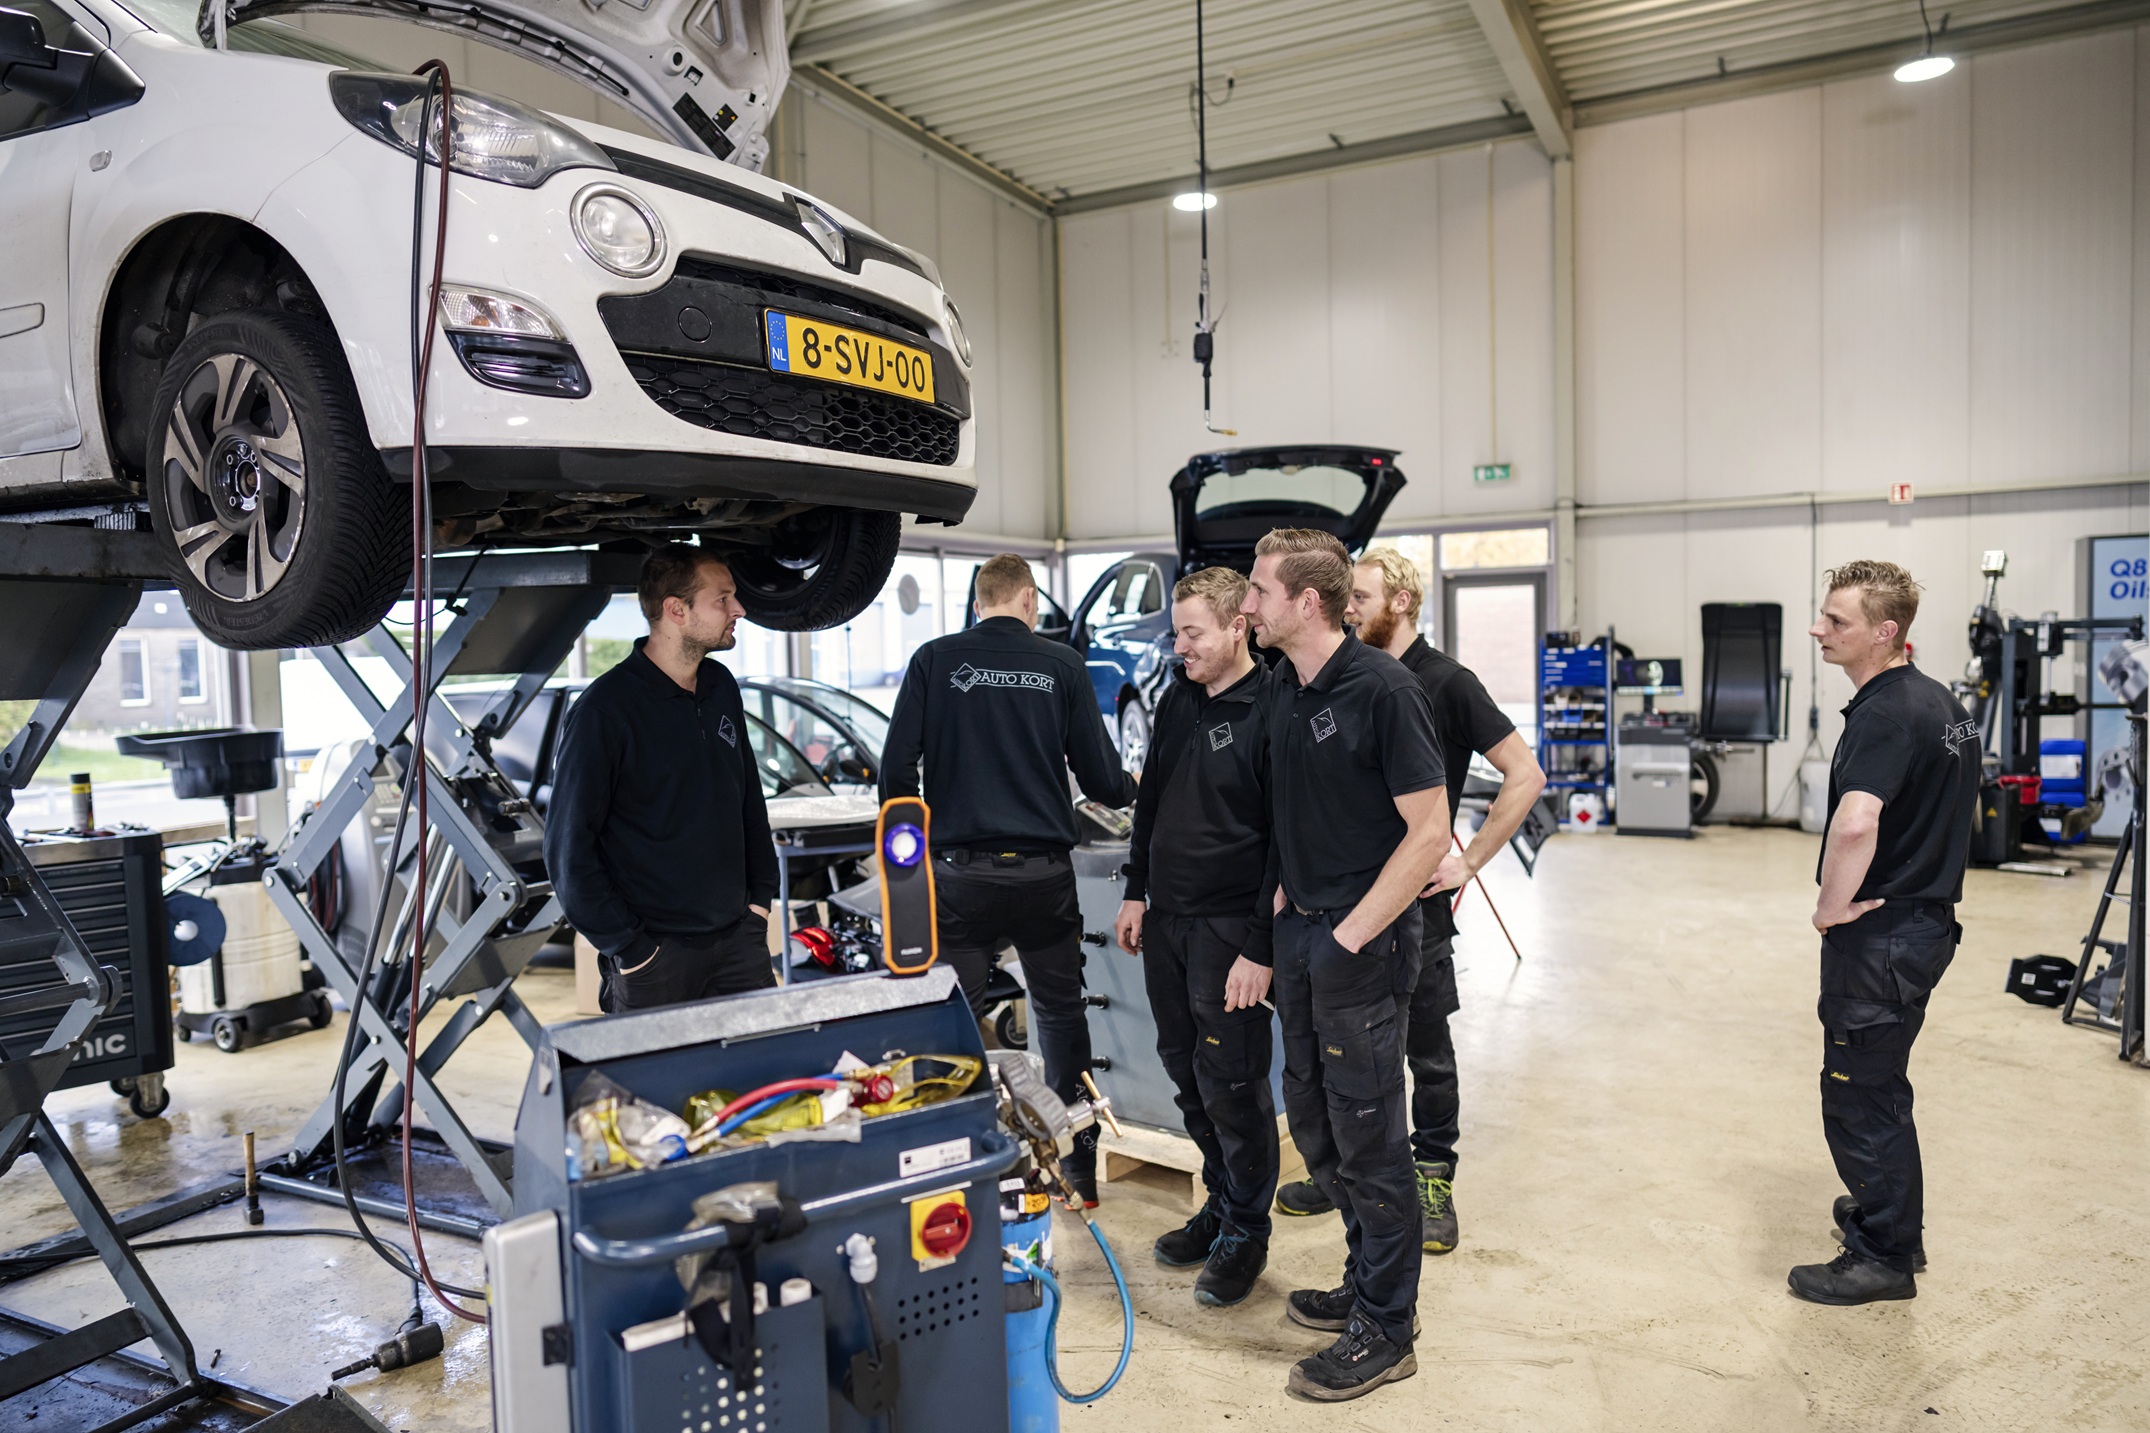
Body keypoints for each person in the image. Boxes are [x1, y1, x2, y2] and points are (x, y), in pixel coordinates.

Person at [1274, 548, 1547, 1256]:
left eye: (1361, 597)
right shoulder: (1336, 678)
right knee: (1346, 1055)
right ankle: (1346, 1173)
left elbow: (1524, 773)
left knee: (1425, 1049)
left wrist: (1469, 861)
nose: (1349, 608)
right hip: (1341, 903)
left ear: (1400, 601)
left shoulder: (1444, 682)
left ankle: (1433, 1177)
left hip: (1414, 906)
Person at [1240, 529, 1450, 1402]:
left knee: (1371, 1140)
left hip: (1361, 946)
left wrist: (1349, 937)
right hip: (1303, 933)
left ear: (1306, 602)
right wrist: (1283, 915)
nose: (1247, 603)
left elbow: (1430, 833)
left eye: (1259, 589)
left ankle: (1388, 1328)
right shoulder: (1286, 686)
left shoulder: (1384, 689)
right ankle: (1368, 1281)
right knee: (1317, 1125)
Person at [880, 553, 1137, 1205]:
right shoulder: (1063, 665)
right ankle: (1077, 1171)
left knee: (956, 1021)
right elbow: (1103, 780)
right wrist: (1139, 786)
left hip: (959, 877)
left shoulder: (934, 660)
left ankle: (962, 1166)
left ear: (978, 604)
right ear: (1028, 601)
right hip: (1043, 879)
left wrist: (917, 855)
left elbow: (895, 771)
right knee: (1061, 1015)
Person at [1792, 559, 1977, 1305]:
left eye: (1836, 620)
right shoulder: (1940, 701)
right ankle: (1890, 1215)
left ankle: (1885, 1256)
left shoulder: (1884, 714)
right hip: (1922, 925)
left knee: (1860, 1094)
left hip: (1883, 935)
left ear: (1884, 631)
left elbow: (1856, 821)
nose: (1818, 629)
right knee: (1881, 1081)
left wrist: (1830, 907)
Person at [1113, 566, 1278, 1308]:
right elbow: (1149, 800)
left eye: (1192, 633)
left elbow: (1285, 843)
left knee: (1233, 1083)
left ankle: (1247, 1229)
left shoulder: (1273, 706)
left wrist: (1259, 947)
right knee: (1184, 1071)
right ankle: (1220, 1200)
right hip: (1169, 922)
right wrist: (1136, 888)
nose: (1178, 647)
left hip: (1229, 929)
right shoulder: (1178, 697)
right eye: (1175, 633)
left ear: (1238, 626)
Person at [545, 544, 778, 1012]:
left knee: (767, 1059)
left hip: (739, 943)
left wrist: (759, 902)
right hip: (656, 958)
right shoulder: (605, 710)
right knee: (660, 1067)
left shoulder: (720, 687)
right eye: (722, 599)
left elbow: (748, 801)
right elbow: (568, 849)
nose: (739, 609)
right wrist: (629, 948)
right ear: (676, 610)